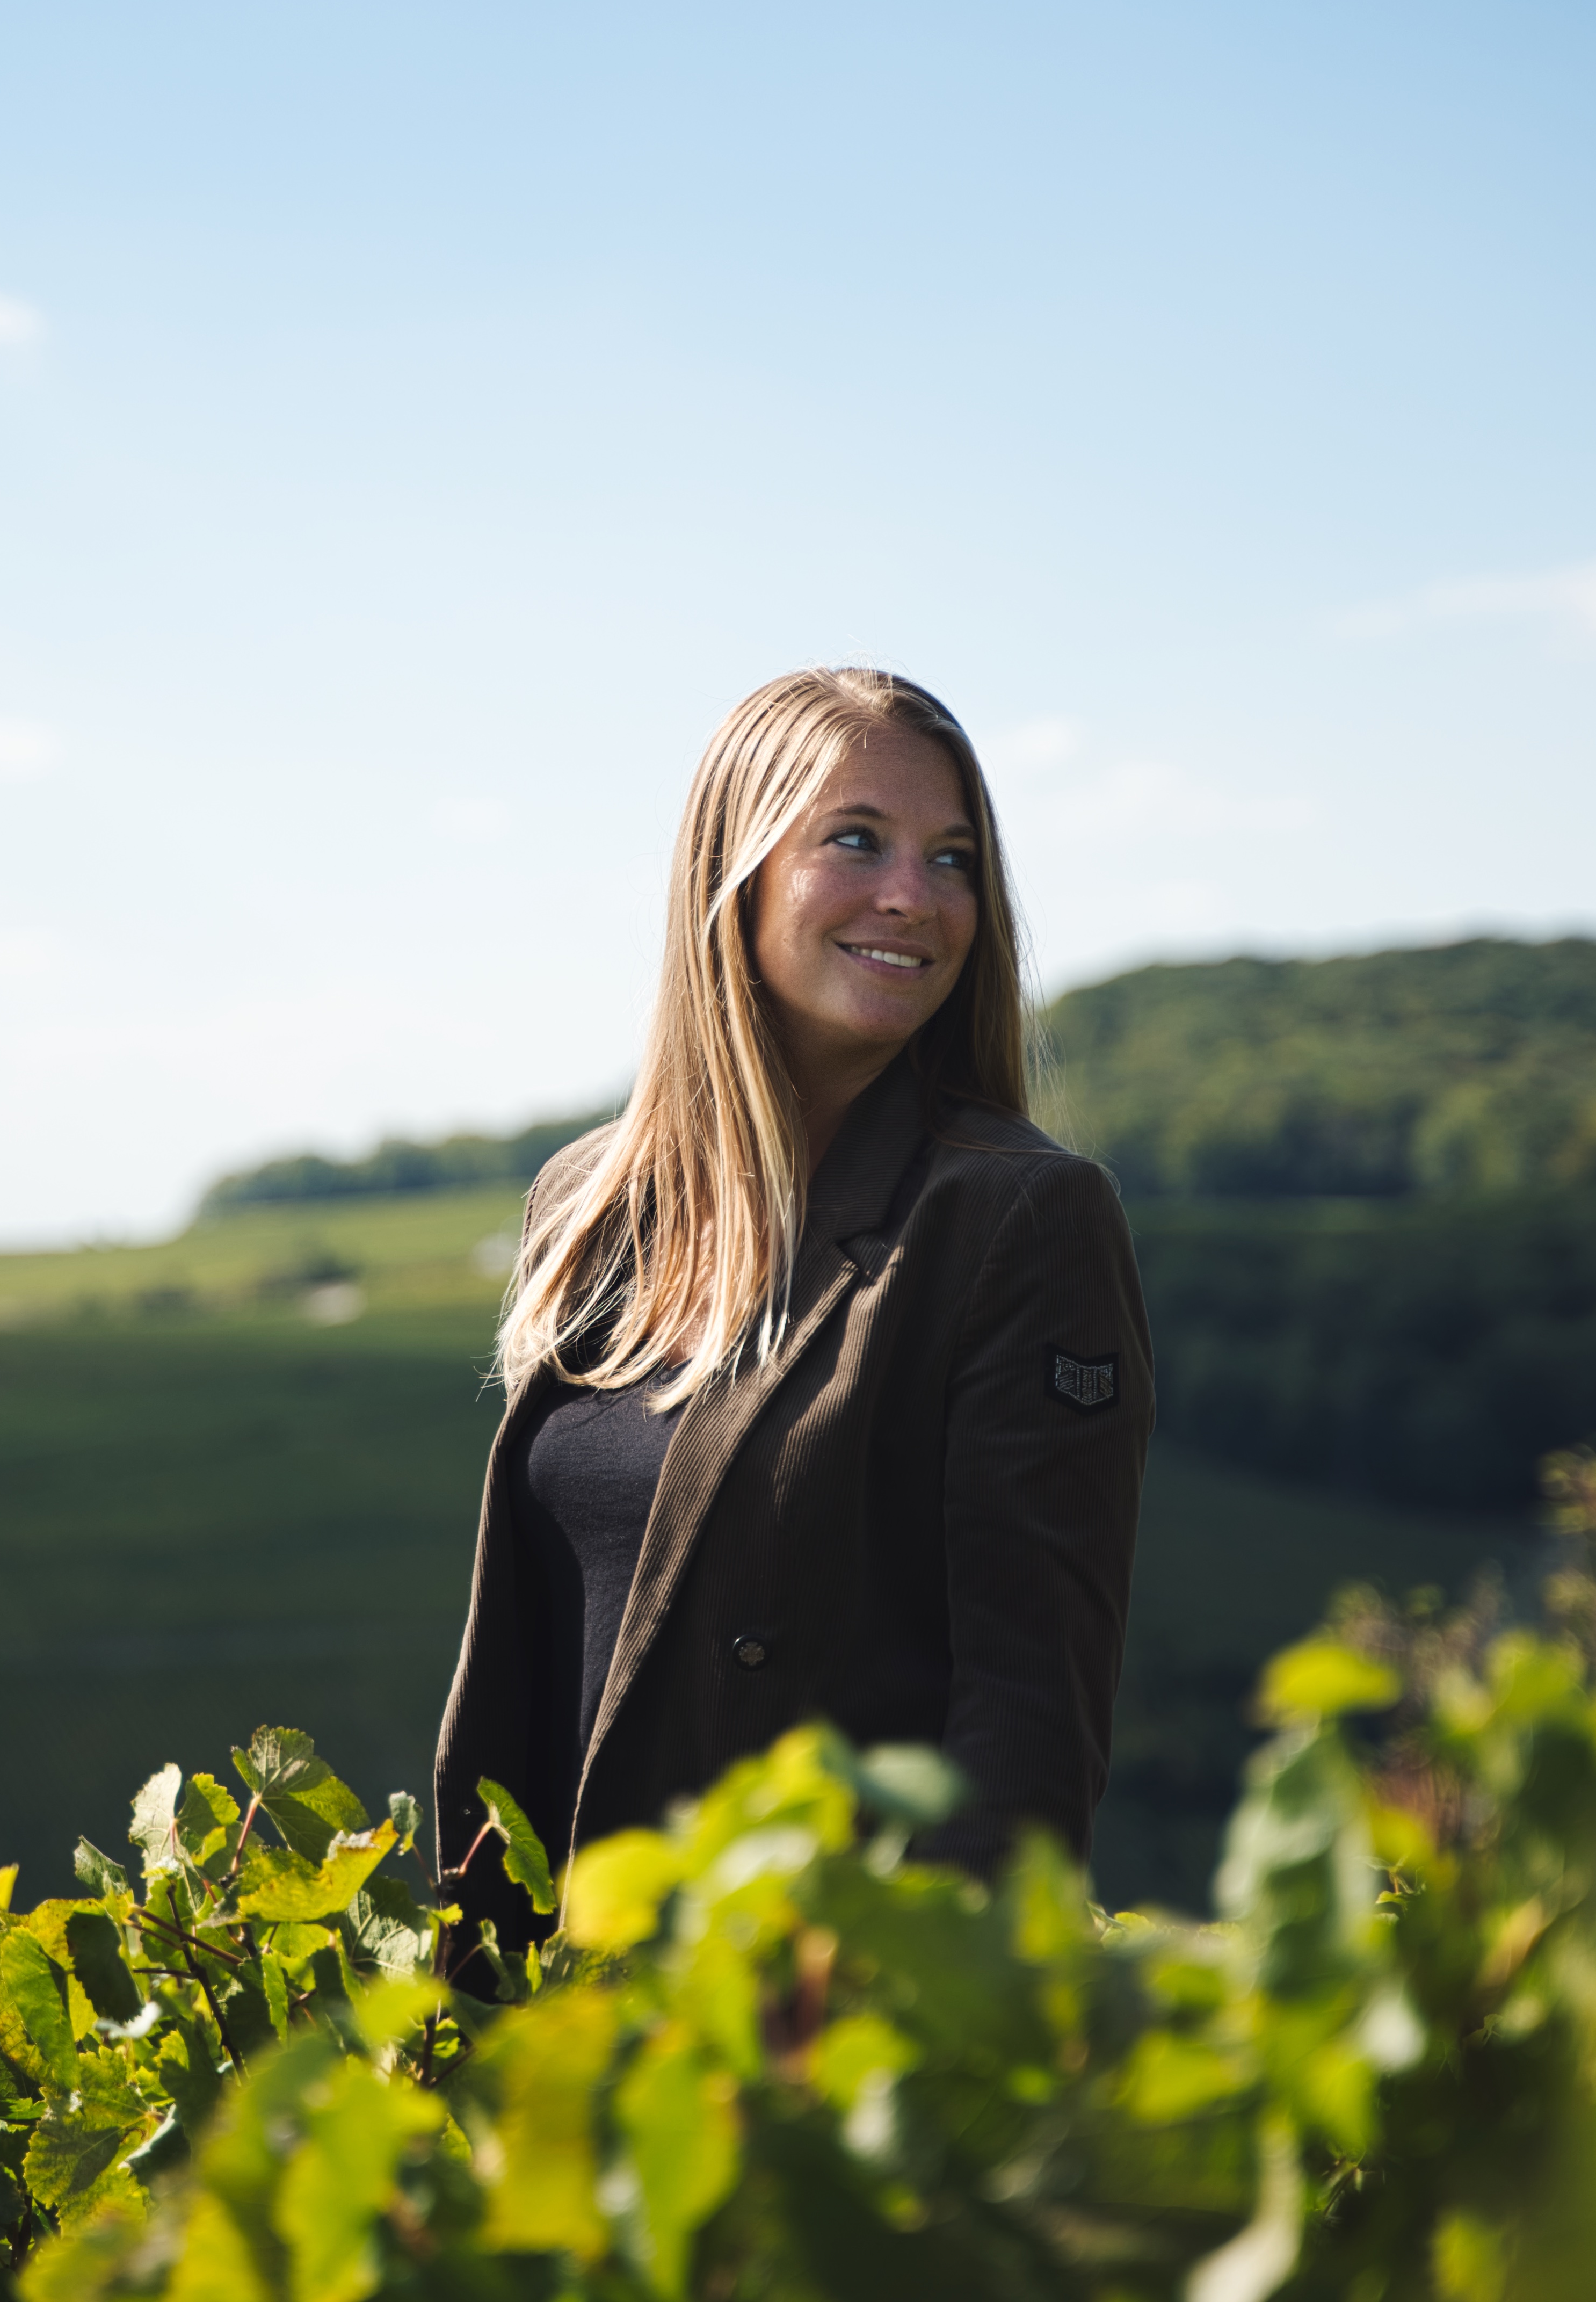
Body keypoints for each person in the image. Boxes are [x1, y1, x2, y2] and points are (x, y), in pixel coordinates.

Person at [432, 666, 1153, 1963]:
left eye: (953, 858)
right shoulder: (590, 1206)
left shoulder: (1016, 1222)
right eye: (857, 839)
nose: (913, 898)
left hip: (814, 2034)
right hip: (552, 2024)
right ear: (734, 866)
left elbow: (1026, 1731)